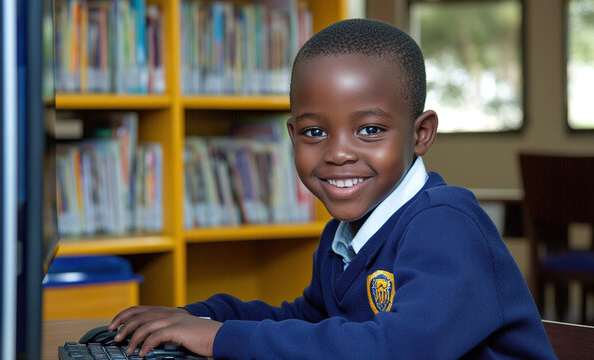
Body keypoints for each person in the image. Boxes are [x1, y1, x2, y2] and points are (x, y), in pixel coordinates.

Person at [108, 19, 557, 359]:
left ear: (421, 134)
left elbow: (397, 349)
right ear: (292, 136)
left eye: (369, 129)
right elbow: (310, 321)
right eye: (315, 133)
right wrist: (204, 316)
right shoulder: (344, 235)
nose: (338, 154)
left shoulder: (446, 224)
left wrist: (221, 338)